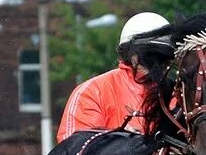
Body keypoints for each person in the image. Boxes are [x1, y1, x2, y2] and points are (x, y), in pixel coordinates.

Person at [57, 11, 170, 142]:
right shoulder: (92, 92)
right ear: (128, 53)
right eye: (148, 53)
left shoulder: (179, 95)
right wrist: (123, 143)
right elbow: (74, 150)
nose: (155, 61)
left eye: (162, 54)